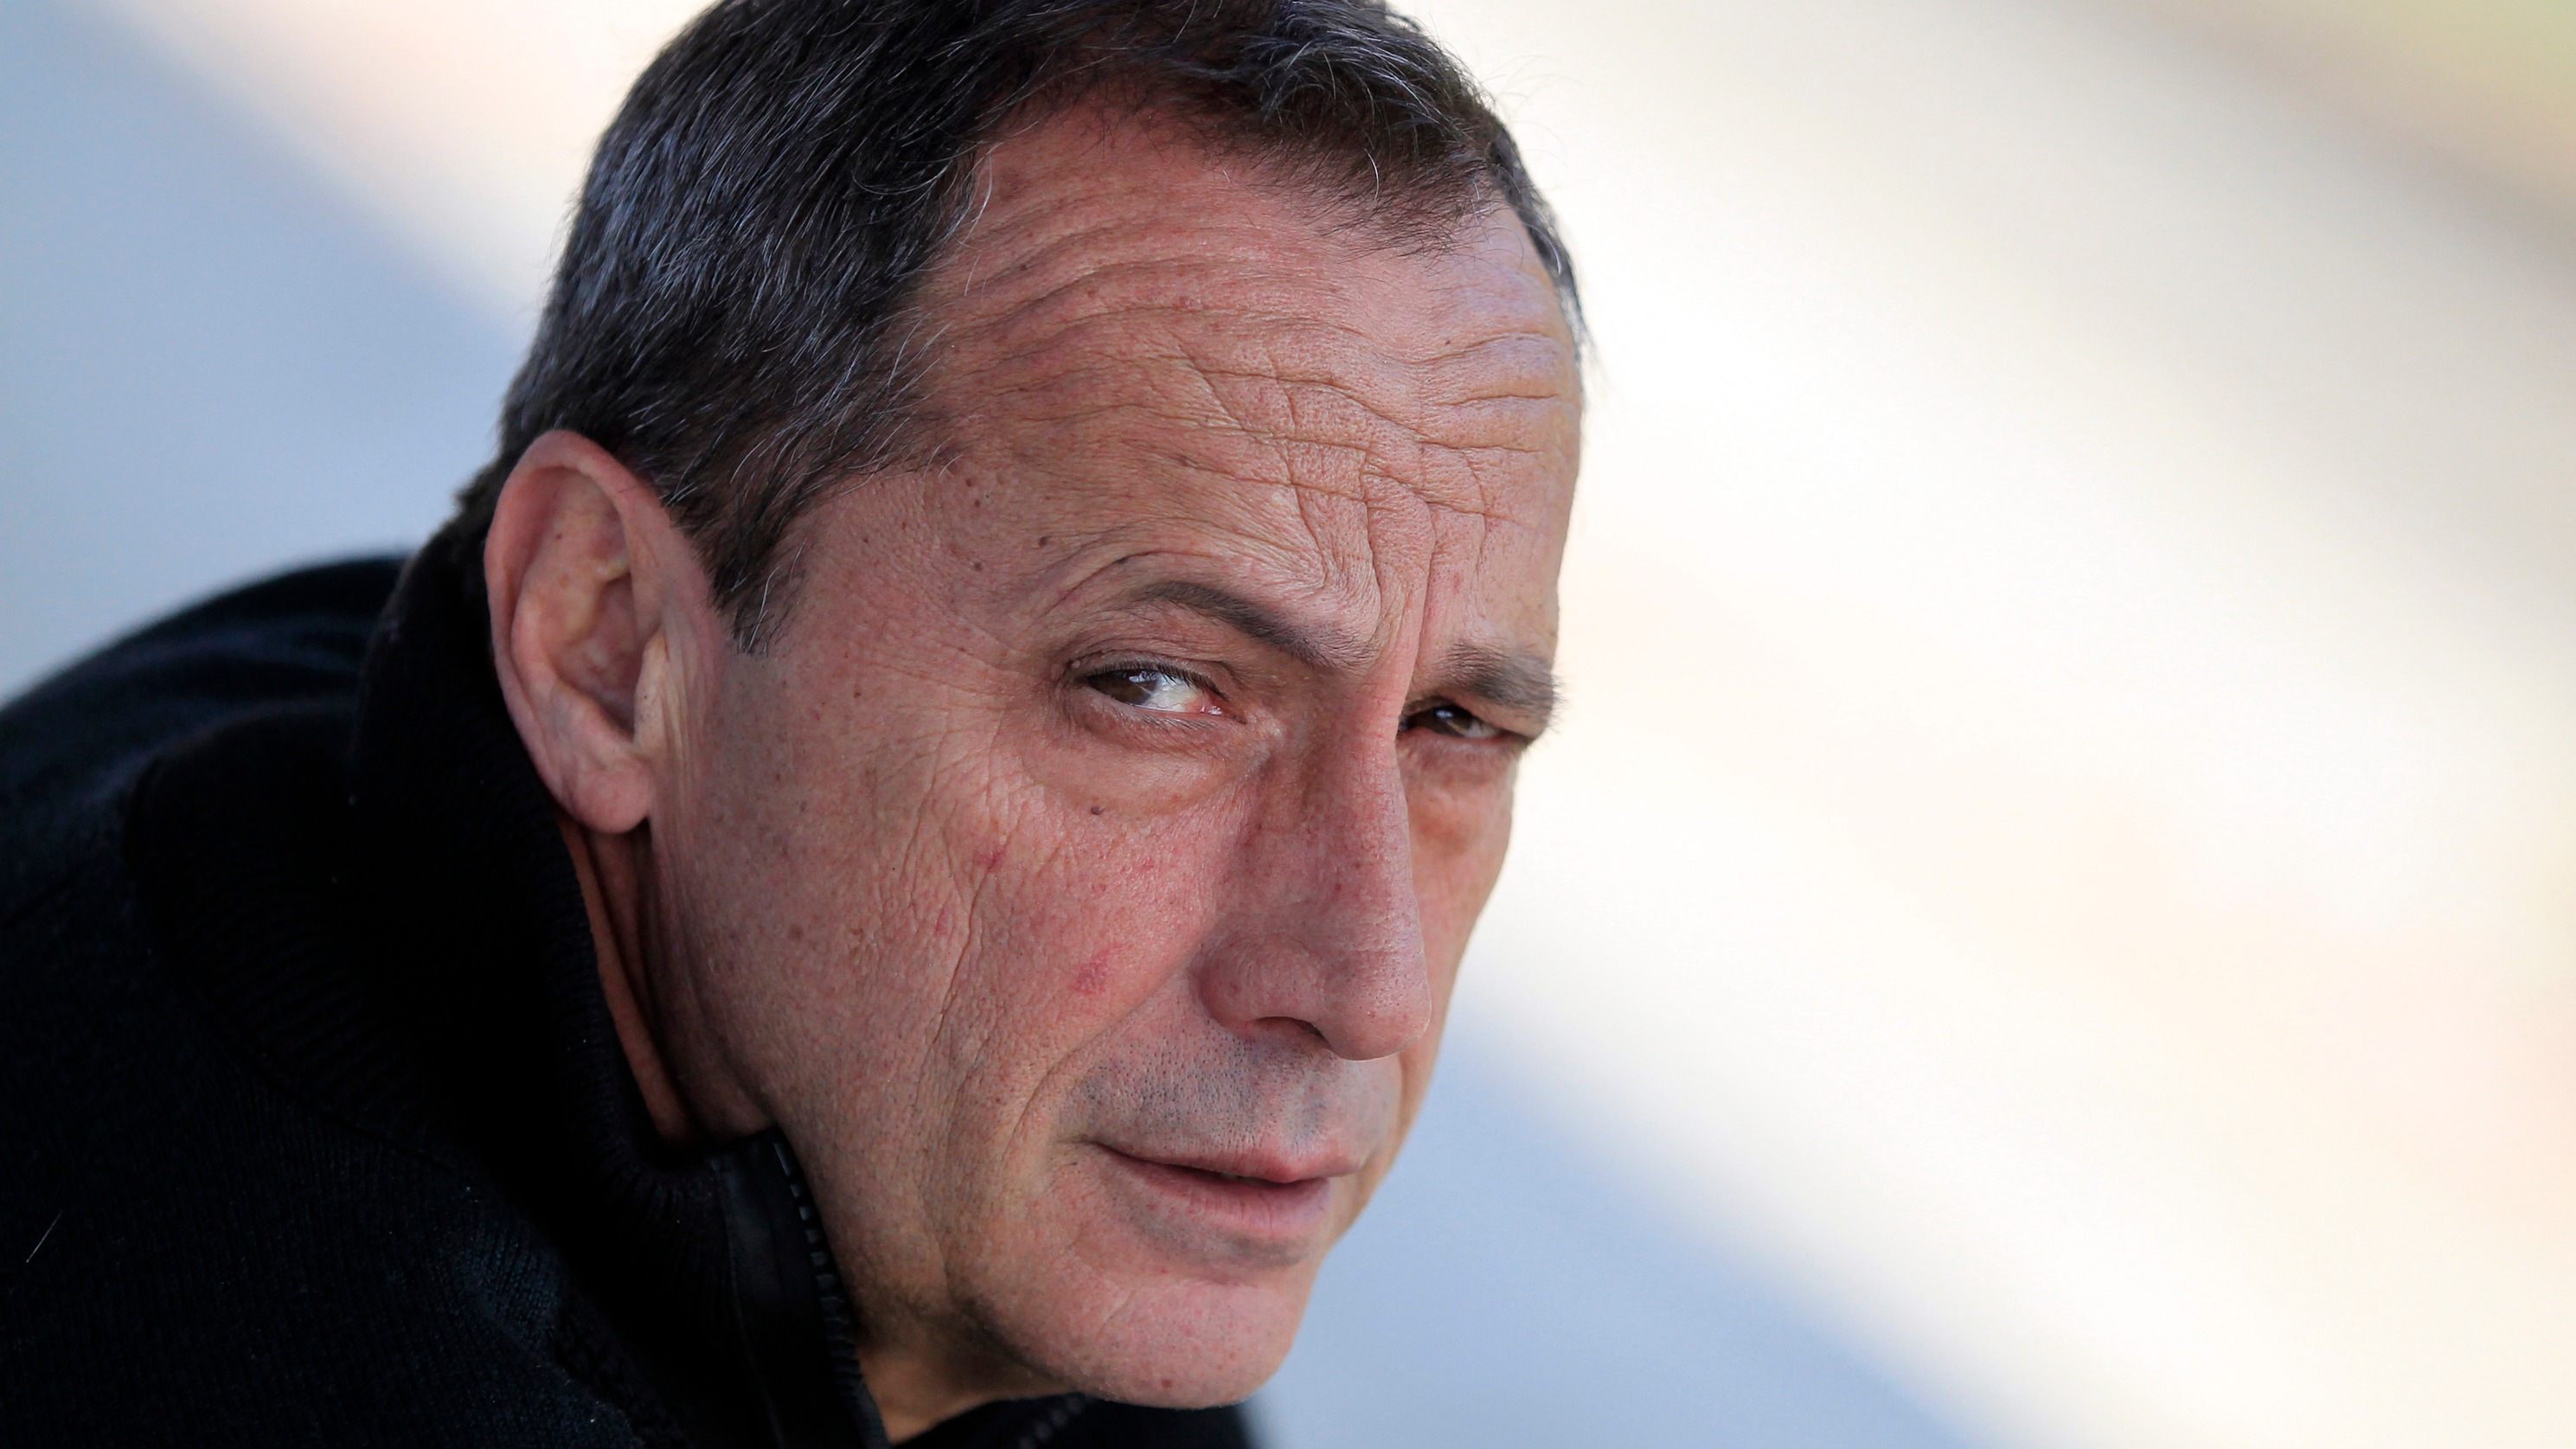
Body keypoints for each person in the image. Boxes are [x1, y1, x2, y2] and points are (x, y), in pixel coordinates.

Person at [0, 1, 1581, 1444]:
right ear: (606, 643)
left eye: (1451, 722)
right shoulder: (274, 1337)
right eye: (1151, 688)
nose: (1366, 988)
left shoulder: (945, 1193)